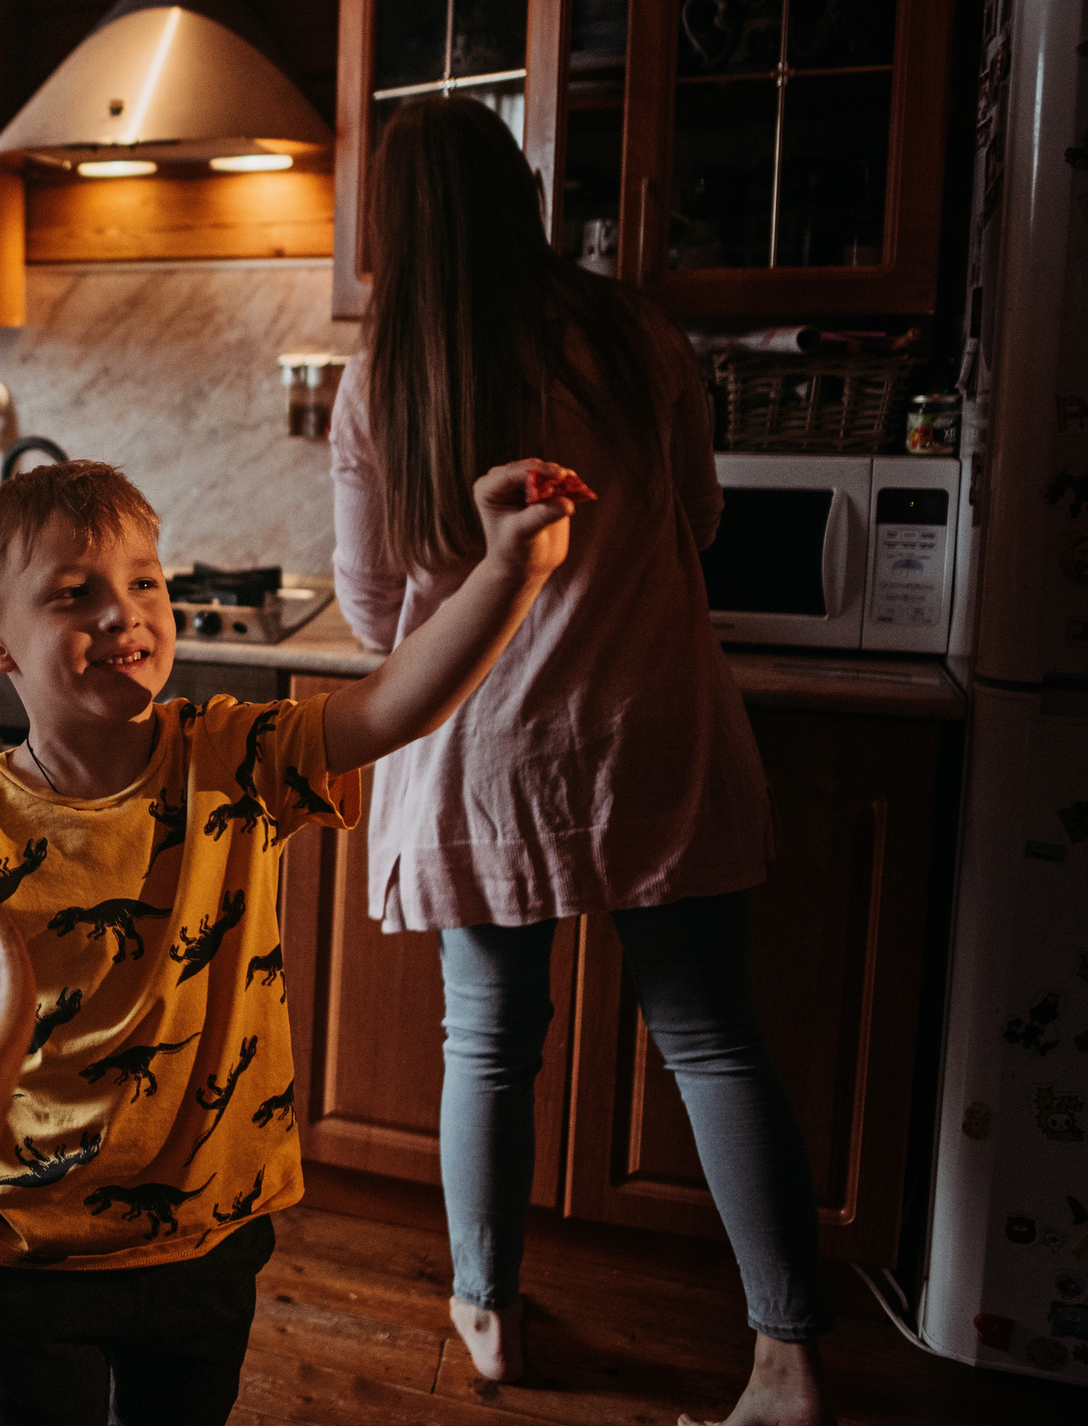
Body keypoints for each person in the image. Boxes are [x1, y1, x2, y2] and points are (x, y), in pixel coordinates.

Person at [329, 96, 831, 1426]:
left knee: (487, 1042)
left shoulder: (385, 379)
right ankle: (786, 1358)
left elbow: (378, 615)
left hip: (484, 751)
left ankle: (487, 1311)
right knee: (714, 1036)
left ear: (393, 226)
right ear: (520, 194)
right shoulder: (633, 332)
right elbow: (703, 516)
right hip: (648, 729)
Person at [0, 455, 577, 1425]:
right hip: (36, 1253)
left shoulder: (233, 756)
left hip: (213, 1241)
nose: (122, 612)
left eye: (144, 583)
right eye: (73, 593)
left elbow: (393, 703)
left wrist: (511, 569)